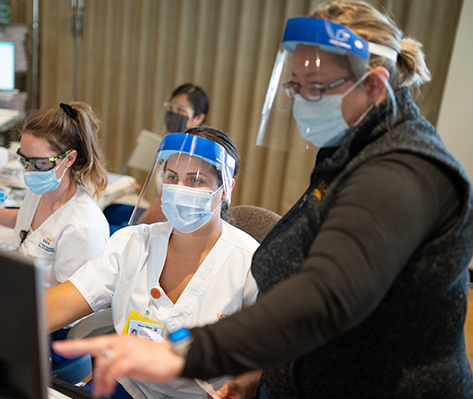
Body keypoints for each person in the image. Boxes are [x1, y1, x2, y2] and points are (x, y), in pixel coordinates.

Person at [52, 2, 473, 398]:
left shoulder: (401, 173)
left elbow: (327, 295)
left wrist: (186, 351)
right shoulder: (352, 149)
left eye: (316, 89)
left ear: (375, 86)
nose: (301, 101)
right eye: (295, 86)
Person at [46, 126, 259, 398]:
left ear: (225, 188)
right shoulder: (133, 243)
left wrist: (242, 386)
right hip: (128, 386)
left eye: (195, 180)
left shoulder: (250, 263)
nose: (179, 189)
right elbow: (59, 304)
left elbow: (271, 353)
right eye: (172, 177)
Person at [0, 102, 110, 290]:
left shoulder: (83, 227)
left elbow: (71, 307)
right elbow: (29, 225)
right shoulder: (42, 190)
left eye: (40, 162)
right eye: (24, 160)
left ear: (69, 158)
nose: (28, 171)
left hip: (44, 313)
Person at [136, 83, 209, 225]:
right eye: (170, 109)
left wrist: (136, 228)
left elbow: (164, 207)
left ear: (198, 118)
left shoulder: (190, 155)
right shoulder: (173, 146)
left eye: (181, 110)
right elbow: (159, 196)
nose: (173, 114)